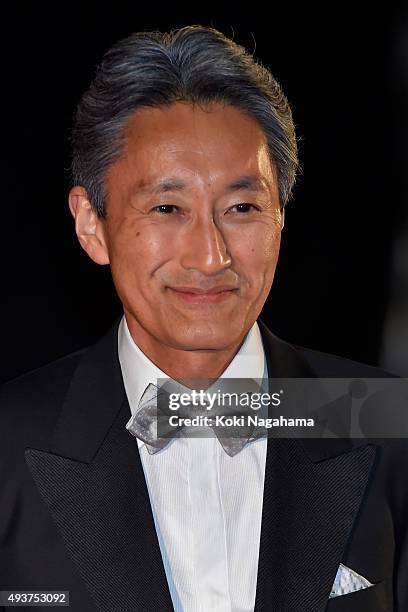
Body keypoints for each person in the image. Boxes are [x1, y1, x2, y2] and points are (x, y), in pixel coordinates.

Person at [0, 25, 406, 612]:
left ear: (281, 217)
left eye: (242, 208)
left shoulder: (391, 426)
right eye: (168, 208)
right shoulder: (10, 444)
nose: (211, 257)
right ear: (92, 224)